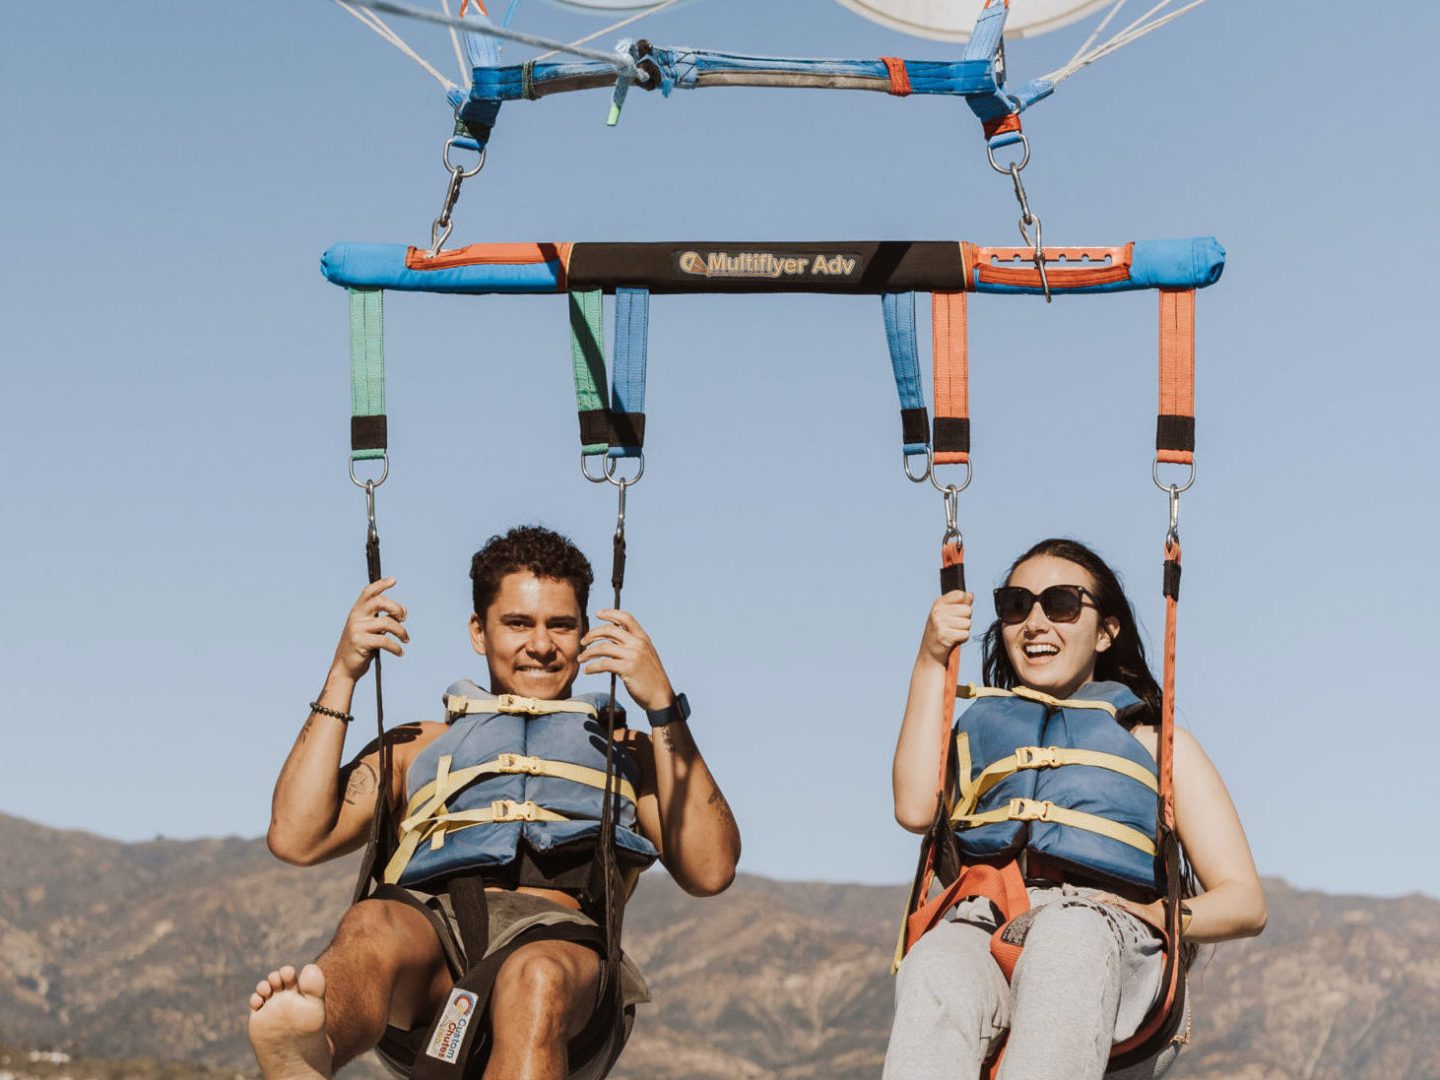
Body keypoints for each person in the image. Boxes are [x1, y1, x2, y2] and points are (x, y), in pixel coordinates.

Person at [246, 525, 740, 1080]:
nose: (541, 644)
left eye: (561, 625)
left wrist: (662, 707)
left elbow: (711, 870)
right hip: (432, 939)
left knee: (535, 980)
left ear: (585, 634)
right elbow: (295, 836)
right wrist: (344, 672)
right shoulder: (420, 744)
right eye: (518, 623)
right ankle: (313, 1047)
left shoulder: (628, 751)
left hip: (563, 948)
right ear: (479, 632)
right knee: (370, 927)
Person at [885, 538, 1266, 1080]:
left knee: (1070, 939)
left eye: (1061, 603)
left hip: (1106, 933)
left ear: (1106, 631)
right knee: (935, 965)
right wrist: (931, 658)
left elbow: (1246, 902)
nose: (1035, 622)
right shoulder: (976, 735)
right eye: (1016, 605)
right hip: (990, 921)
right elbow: (915, 808)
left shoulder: (1158, 745)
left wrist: (1160, 917)